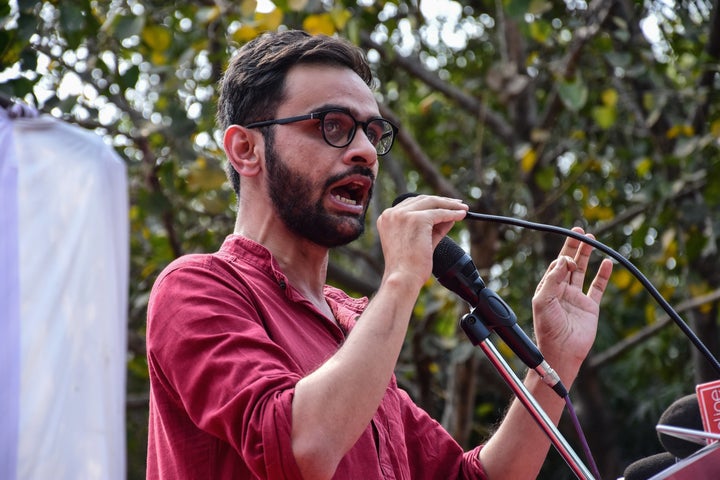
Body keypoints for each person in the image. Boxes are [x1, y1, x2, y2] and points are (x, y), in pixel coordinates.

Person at [145, 29, 614, 479]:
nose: (366, 151)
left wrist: (555, 358)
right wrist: (401, 279)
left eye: (372, 132)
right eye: (334, 126)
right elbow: (300, 448)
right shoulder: (195, 287)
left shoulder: (353, 325)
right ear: (246, 149)